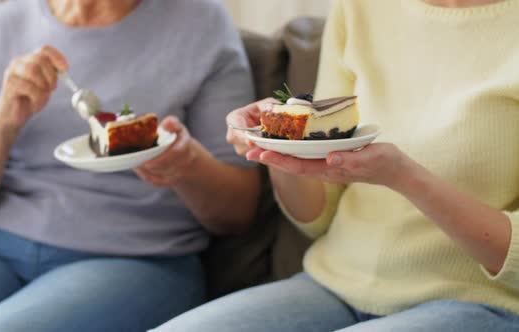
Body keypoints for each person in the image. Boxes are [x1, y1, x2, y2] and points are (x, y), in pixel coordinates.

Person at [151, 0, 519, 331]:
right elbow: (316, 216)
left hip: (480, 303)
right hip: (333, 286)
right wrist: (278, 146)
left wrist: (404, 177)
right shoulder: (360, 8)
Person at [0, 0, 260, 331]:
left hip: (135, 260)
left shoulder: (202, 23)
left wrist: (187, 165)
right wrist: (1, 122)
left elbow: (238, 214)